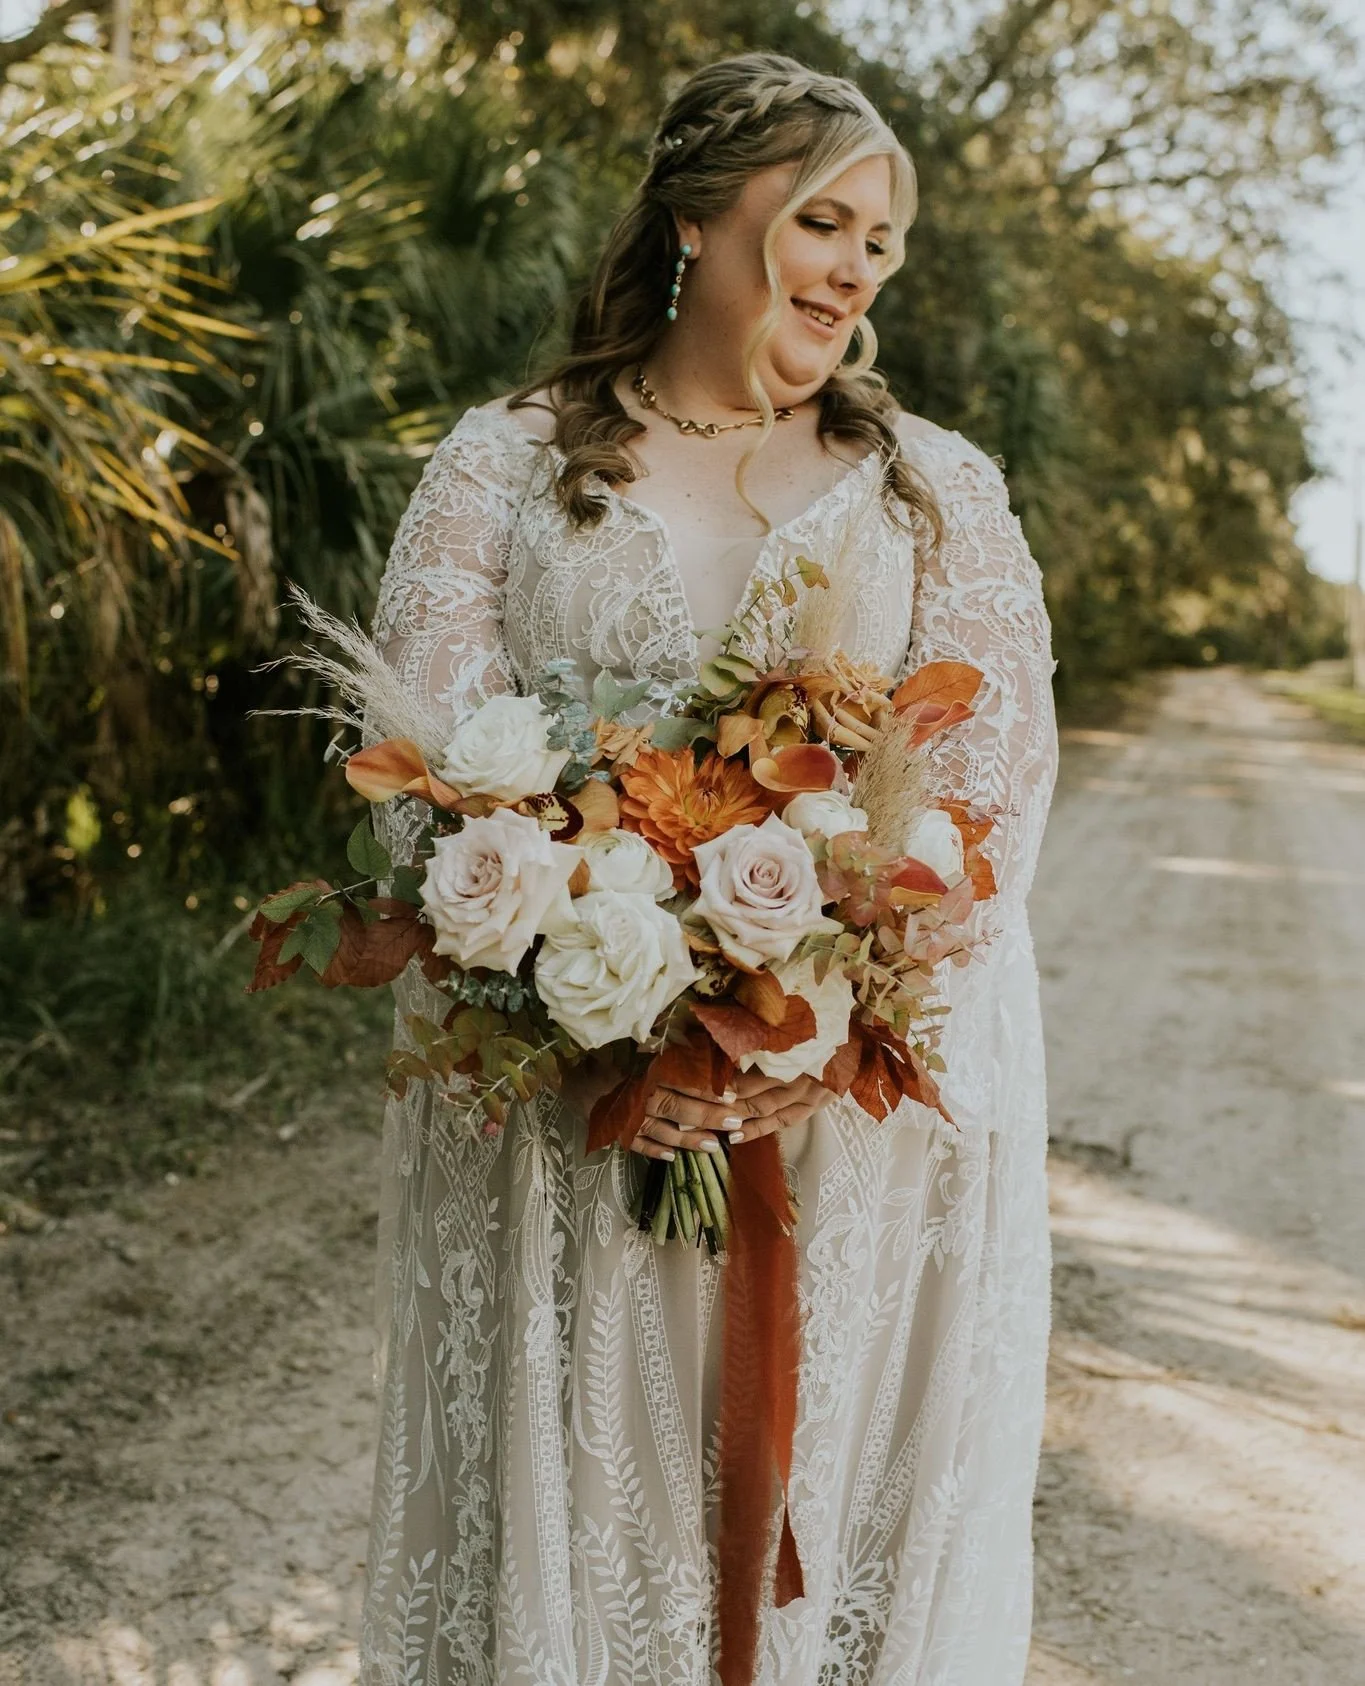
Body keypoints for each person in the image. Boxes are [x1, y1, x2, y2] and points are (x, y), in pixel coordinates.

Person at [360, 50, 1057, 1686]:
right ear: (696, 216)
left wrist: (815, 1015)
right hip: (573, 1113)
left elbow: (988, 799)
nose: (857, 268)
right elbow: (424, 772)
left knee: (816, 1515)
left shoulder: (931, 489)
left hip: (842, 1127)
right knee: (598, 1509)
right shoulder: (504, 466)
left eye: (881, 243)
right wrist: (592, 1008)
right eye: (824, 221)